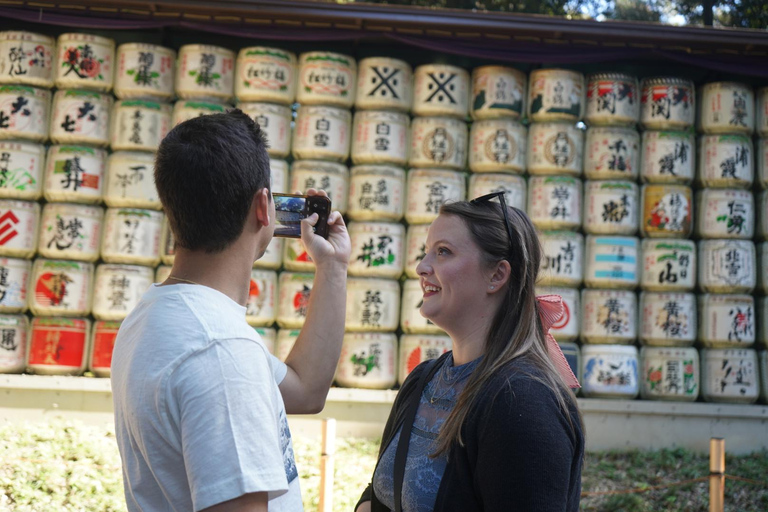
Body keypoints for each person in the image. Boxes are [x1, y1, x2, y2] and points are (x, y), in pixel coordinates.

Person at [111, 110, 351, 512]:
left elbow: (306, 390)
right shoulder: (220, 350)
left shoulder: (153, 316)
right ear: (264, 207)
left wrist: (332, 267)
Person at [356, 193, 584, 512]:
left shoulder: (523, 403)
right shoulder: (423, 379)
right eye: (426, 253)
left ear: (497, 275)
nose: (422, 267)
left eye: (443, 252)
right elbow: (379, 494)